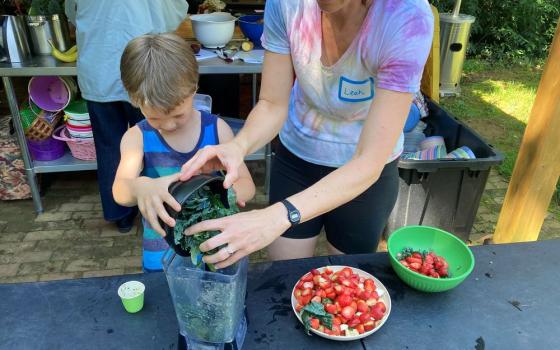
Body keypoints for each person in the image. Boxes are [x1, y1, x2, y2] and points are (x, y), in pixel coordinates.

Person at [178, 0, 434, 269]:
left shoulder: (407, 18)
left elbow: (369, 160)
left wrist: (276, 216)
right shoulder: (285, 4)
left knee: (346, 280)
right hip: (297, 158)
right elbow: (272, 104)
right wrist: (238, 146)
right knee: (288, 275)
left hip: (364, 174)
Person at [112, 33, 256, 271]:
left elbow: (248, 186)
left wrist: (214, 191)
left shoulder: (217, 130)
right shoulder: (136, 137)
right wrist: (141, 187)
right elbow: (120, 190)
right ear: (133, 99)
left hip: (214, 248)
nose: (168, 125)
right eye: (155, 117)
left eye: (178, 115)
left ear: (193, 88)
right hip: (160, 254)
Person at [65, 0, 188, 233]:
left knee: (110, 146)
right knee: (157, 143)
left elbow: (73, 12)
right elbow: (176, 11)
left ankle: (120, 214)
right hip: (147, 70)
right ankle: (167, 206)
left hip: (99, 67)